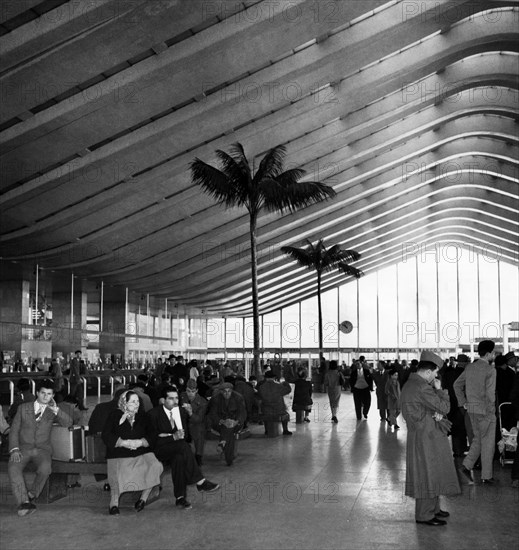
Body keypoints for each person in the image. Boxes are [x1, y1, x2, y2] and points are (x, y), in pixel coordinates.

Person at [401, 351, 460, 526]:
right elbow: (445, 407)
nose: (436, 377)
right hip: (426, 437)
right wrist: (441, 390)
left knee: (431, 472)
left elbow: (419, 408)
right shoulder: (423, 387)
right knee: (426, 474)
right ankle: (424, 514)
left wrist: (433, 413)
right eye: (435, 373)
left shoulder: (411, 384)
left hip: (423, 434)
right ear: (428, 372)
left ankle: (434, 508)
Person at [146, 386, 219, 509]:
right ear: (163, 400)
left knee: (179, 457)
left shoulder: (180, 412)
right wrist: (172, 437)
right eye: (171, 399)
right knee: (182, 447)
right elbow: (153, 440)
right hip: (158, 449)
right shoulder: (153, 414)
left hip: (176, 447)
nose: (175, 401)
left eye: (176, 398)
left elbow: (184, 436)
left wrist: (172, 435)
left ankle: (180, 498)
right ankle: (200, 481)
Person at [8, 379, 73, 516]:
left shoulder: (52, 411)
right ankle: (24, 501)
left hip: (43, 450)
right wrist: (14, 449)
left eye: (49, 394)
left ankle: (32, 494)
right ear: (37, 393)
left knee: (45, 469)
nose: (45, 396)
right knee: (13, 467)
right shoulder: (23, 408)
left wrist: (56, 410)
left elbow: (68, 423)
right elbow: (14, 430)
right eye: (43, 393)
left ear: (52, 396)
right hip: (23, 448)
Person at [102, 390, 163, 515]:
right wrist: (123, 443)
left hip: (141, 451)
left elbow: (153, 434)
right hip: (119, 452)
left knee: (155, 466)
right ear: (124, 403)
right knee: (117, 472)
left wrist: (141, 442)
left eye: (137, 401)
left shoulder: (144, 416)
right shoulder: (114, 415)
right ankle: (114, 503)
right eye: (133, 402)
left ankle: (143, 499)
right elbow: (106, 435)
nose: (136, 404)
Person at [454, 339, 497, 484]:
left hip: (471, 410)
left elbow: (456, 385)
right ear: (489, 353)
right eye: (494, 352)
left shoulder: (470, 367)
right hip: (486, 411)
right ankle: (487, 476)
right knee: (488, 443)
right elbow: (491, 395)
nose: (494, 354)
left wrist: (463, 403)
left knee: (478, 439)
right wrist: (492, 411)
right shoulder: (491, 370)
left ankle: (466, 466)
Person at [208, 382, 247, 466]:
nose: (227, 393)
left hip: (236, 423)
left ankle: (223, 442)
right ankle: (229, 459)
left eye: (229, 391)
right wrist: (223, 421)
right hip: (219, 423)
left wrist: (235, 422)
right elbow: (213, 414)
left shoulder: (238, 398)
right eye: (224, 391)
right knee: (228, 429)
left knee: (229, 428)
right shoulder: (215, 399)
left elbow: (242, 413)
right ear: (221, 392)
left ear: (232, 391)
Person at [180, 379, 209, 466]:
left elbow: (199, 419)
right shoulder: (182, 396)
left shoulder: (203, 402)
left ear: (196, 391)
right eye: (188, 391)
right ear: (185, 390)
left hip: (196, 423)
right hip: (183, 422)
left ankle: (198, 456)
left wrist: (190, 412)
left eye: (193, 391)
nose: (190, 394)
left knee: (199, 432)